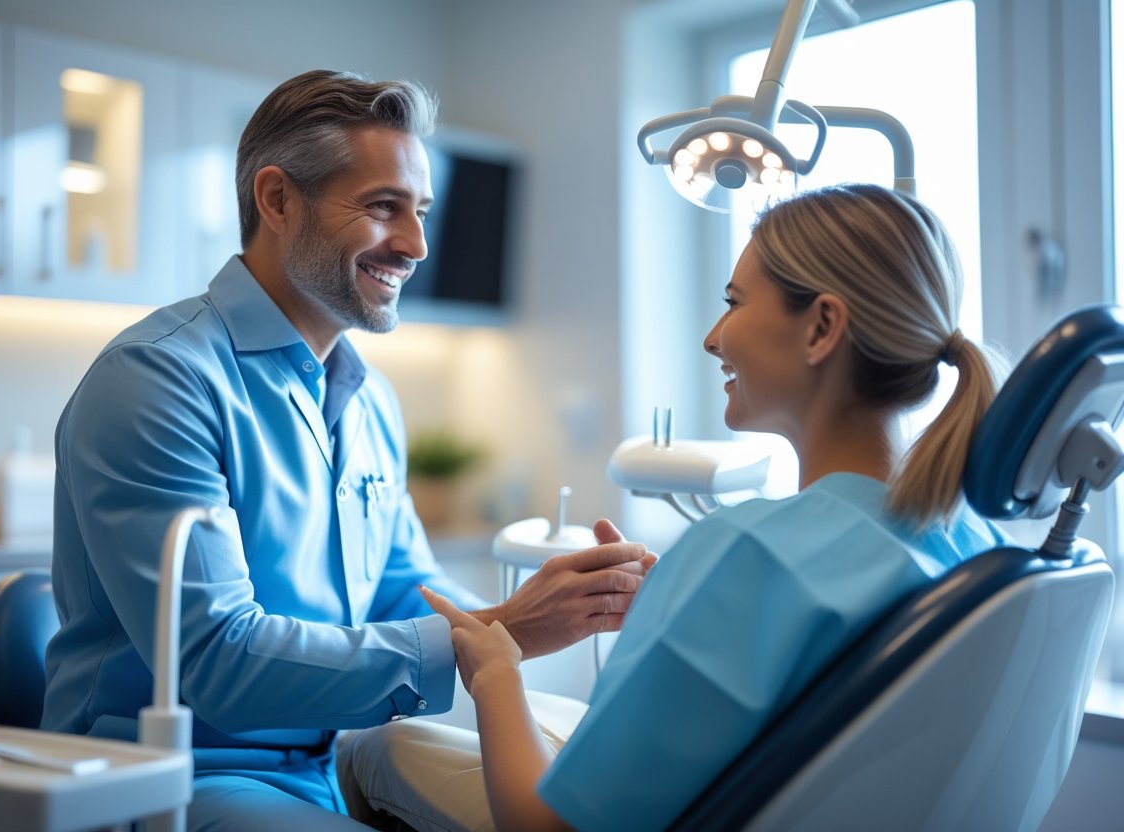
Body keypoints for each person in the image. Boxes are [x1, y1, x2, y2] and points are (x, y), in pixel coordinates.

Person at [41, 69, 654, 831]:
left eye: (421, 211)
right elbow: (218, 664)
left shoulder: (369, 401)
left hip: (323, 766)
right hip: (165, 778)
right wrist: (509, 631)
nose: (417, 244)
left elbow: (411, 594)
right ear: (276, 200)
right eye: (382, 207)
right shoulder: (160, 380)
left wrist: (579, 607)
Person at [335, 183, 1011, 832]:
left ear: (822, 327)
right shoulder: (971, 539)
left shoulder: (749, 552)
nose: (714, 338)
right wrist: (687, 606)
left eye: (735, 302)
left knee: (375, 749)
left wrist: (495, 667)